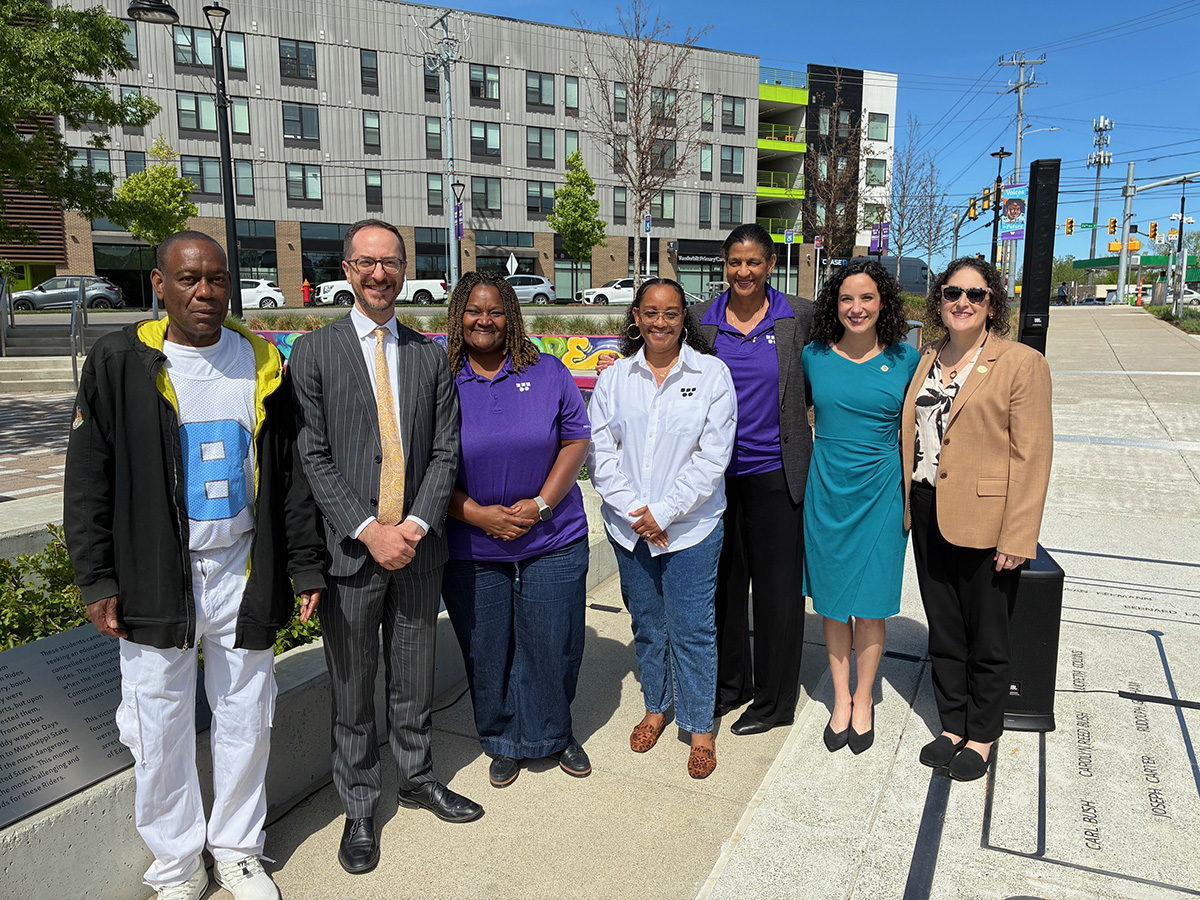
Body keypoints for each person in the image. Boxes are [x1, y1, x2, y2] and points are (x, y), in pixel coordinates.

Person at [64, 231, 325, 900]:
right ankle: (176, 866)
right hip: (158, 578)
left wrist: (304, 567)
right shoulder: (121, 361)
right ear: (159, 284)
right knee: (157, 727)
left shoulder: (262, 360)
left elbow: (290, 476)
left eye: (215, 278)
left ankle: (237, 850)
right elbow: (88, 476)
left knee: (246, 719)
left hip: (243, 571)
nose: (204, 292)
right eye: (188, 279)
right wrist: (96, 576)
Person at [290, 219, 480, 877]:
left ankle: (418, 774)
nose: (379, 274)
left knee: (414, 675)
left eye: (390, 263)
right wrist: (369, 530)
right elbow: (312, 453)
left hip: (419, 551)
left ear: (404, 270)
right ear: (346, 270)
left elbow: (445, 450)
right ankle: (360, 805)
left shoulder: (429, 356)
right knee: (353, 687)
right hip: (352, 552)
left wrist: (417, 527)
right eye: (366, 263)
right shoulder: (312, 354)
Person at [595, 225, 813, 735]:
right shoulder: (701, 319)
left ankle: (775, 701)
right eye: (734, 262)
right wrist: (612, 359)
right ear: (723, 264)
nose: (743, 271)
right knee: (724, 592)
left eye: (754, 262)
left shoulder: (797, 316)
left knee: (778, 595)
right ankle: (731, 683)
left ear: (770, 263)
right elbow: (653, 346)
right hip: (711, 485)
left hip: (774, 472)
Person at [901, 256, 1053, 781]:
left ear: (992, 303)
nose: (962, 302)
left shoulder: (1020, 362)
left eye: (975, 294)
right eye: (951, 293)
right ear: (939, 300)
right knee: (943, 625)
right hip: (927, 508)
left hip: (987, 517)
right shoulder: (927, 358)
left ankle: (983, 733)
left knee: (987, 630)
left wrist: (1019, 534)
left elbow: (1032, 456)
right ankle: (952, 723)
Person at [441, 271, 593, 789]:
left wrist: (542, 504)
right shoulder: (442, 380)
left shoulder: (548, 372)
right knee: (487, 649)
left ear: (513, 315)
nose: (485, 320)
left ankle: (553, 731)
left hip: (551, 537)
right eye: (474, 311)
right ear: (458, 315)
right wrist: (477, 514)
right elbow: (427, 464)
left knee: (553, 640)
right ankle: (503, 738)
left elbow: (576, 440)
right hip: (472, 543)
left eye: (496, 311)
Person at [589, 278, 736, 778]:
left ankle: (699, 728)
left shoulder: (712, 374)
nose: (660, 322)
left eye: (671, 313)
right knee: (647, 626)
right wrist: (638, 512)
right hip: (630, 529)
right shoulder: (615, 378)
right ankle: (656, 706)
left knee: (693, 629)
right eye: (650, 312)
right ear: (635, 316)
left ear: (683, 318)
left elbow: (713, 456)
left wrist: (665, 513)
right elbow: (601, 452)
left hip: (691, 528)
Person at [802, 259, 919, 755]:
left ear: (883, 303)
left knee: (870, 607)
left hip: (883, 494)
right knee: (831, 605)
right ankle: (840, 699)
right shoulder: (812, 356)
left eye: (867, 297)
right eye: (847, 298)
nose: (856, 308)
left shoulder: (907, 359)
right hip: (827, 491)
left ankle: (864, 697)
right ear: (834, 304)